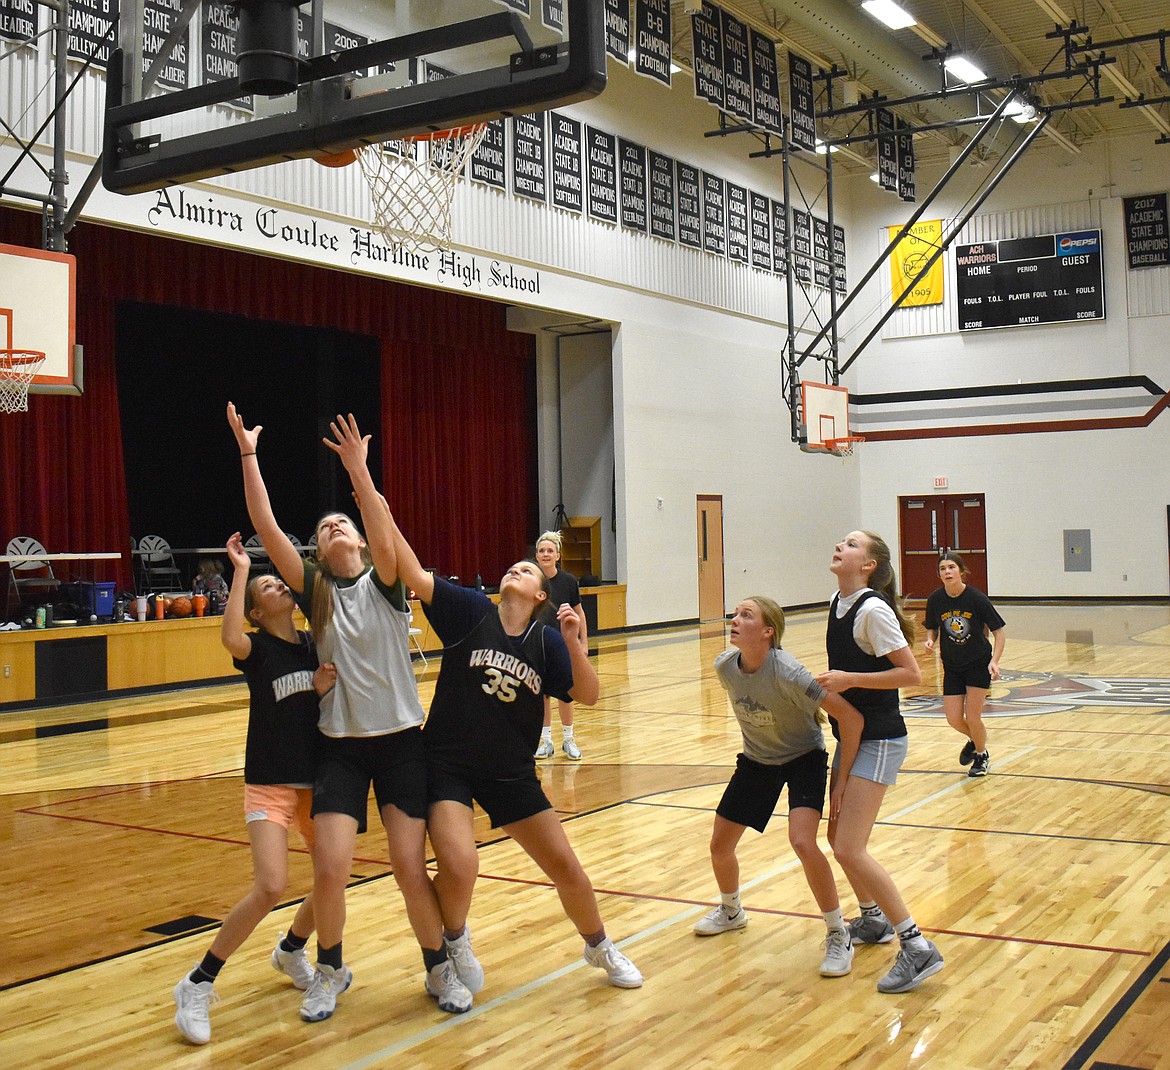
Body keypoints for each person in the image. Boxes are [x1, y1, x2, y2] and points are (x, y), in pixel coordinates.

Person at [344, 433, 641, 996]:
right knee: (460, 864)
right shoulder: (468, 610)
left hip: (510, 773)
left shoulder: (548, 640)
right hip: (448, 765)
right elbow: (405, 561)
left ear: (540, 596)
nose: (518, 569)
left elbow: (593, 695)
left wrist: (577, 642)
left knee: (567, 867)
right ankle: (453, 939)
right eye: (514, 566)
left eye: (528, 571)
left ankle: (600, 946)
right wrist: (365, 484)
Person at [227, 403, 478, 1023]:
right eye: (327, 526)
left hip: (400, 744)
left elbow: (380, 522)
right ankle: (330, 970)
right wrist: (249, 455)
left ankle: (437, 968)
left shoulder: (387, 580)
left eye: (346, 522)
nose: (337, 527)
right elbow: (265, 525)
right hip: (339, 746)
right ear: (317, 547)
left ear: (361, 539)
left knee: (404, 864)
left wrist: (359, 474)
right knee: (331, 867)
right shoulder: (316, 591)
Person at [173, 531, 333, 1045]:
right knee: (270, 885)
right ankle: (198, 982)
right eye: (268, 586)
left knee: (333, 878)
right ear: (257, 611)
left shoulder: (314, 644)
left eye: (277, 581)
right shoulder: (257, 649)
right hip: (269, 784)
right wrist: (241, 569)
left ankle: (291, 949)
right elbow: (228, 639)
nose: (278, 587)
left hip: (316, 783)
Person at [695, 595, 865, 979]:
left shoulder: (789, 671)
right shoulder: (725, 667)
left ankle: (839, 932)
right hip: (757, 761)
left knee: (803, 842)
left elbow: (850, 719)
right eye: (735, 614)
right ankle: (731, 910)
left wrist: (841, 779)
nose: (734, 619)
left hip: (804, 758)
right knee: (720, 844)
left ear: (767, 631)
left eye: (746, 615)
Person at [815, 530, 944, 995]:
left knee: (850, 846)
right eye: (840, 541)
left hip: (881, 738)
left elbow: (911, 673)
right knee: (836, 835)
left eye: (849, 544)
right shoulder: (837, 601)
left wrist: (849, 678)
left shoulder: (872, 610)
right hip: (852, 735)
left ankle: (917, 945)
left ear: (868, 564)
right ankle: (873, 921)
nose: (839, 546)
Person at [924, 553, 1006, 778]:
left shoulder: (976, 599)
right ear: (939, 574)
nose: (947, 572)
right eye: (942, 568)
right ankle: (976, 739)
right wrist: (930, 639)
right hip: (952, 664)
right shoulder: (935, 599)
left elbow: (999, 633)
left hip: (978, 663)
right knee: (952, 718)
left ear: (961, 571)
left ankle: (981, 755)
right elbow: (932, 626)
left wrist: (994, 661)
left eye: (951, 567)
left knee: (972, 716)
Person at [533, 530, 585, 761]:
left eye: (549, 551)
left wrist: (583, 641)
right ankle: (546, 741)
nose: (545, 554)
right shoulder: (531, 580)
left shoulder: (568, 581)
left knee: (565, 695)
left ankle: (568, 739)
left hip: (563, 646)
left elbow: (579, 612)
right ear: (536, 555)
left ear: (558, 555)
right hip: (537, 645)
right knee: (543, 695)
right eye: (542, 551)